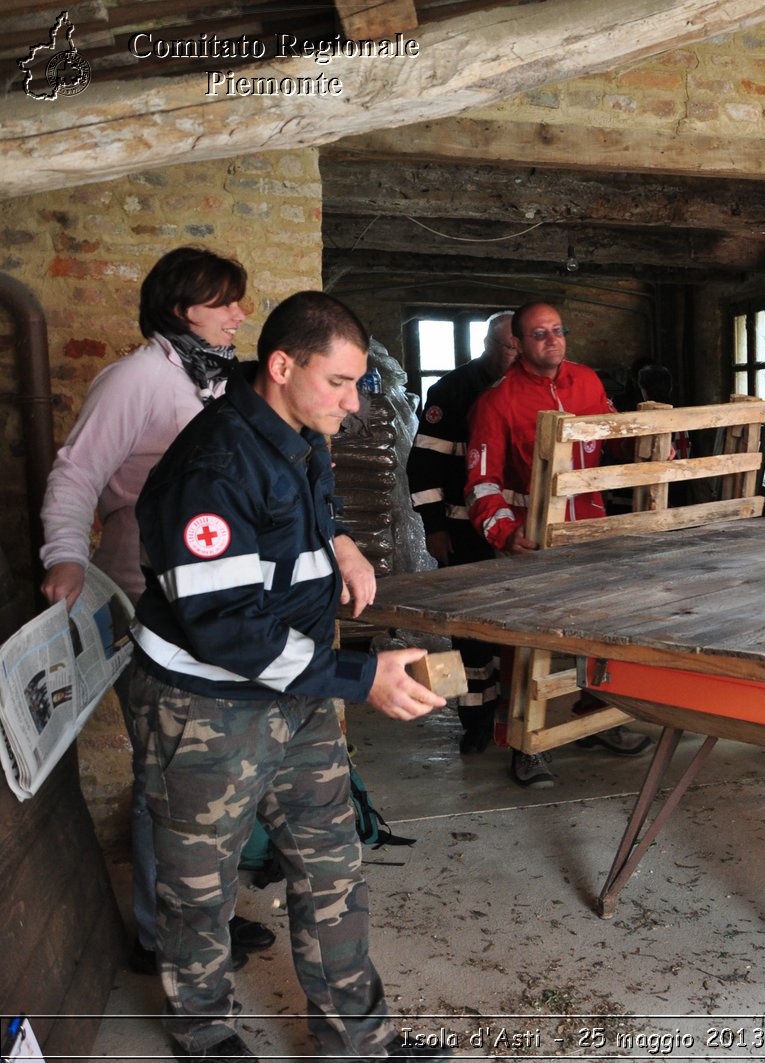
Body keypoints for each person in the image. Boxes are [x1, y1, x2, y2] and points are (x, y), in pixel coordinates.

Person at [127, 290, 451, 1063]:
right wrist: (357, 676)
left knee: (333, 867)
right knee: (198, 889)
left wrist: (335, 536)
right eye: (340, 382)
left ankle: (356, 1040)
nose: (354, 400)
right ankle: (204, 1034)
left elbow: (302, 511)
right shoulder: (212, 467)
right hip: (205, 705)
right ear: (282, 366)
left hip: (295, 691)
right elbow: (227, 629)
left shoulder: (301, 432)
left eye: (359, 382)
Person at [38, 245, 276, 976]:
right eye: (224, 301)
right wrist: (64, 556)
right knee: (169, 775)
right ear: (181, 309)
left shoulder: (221, 382)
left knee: (215, 772)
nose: (240, 313)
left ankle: (204, 915)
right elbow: (78, 473)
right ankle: (158, 933)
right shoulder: (138, 378)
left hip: (215, 603)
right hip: (149, 601)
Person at [464, 302, 651, 786]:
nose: (552, 340)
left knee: (600, 633)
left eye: (558, 331)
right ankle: (525, 746)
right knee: (528, 650)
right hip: (531, 542)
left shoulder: (587, 382)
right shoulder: (496, 402)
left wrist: (649, 442)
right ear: (519, 344)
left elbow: (613, 436)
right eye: (539, 334)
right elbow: (480, 484)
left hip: (592, 535)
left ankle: (595, 718)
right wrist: (505, 534)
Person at [406, 310, 516, 754]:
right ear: (488, 346)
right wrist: (433, 528)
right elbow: (424, 466)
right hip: (462, 526)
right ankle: (474, 718)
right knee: (466, 628)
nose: (516, 354)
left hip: (514, 532)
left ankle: (514, 712)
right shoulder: (451, 392)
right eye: (509, 346)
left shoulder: (528, 391)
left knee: (511, 625)